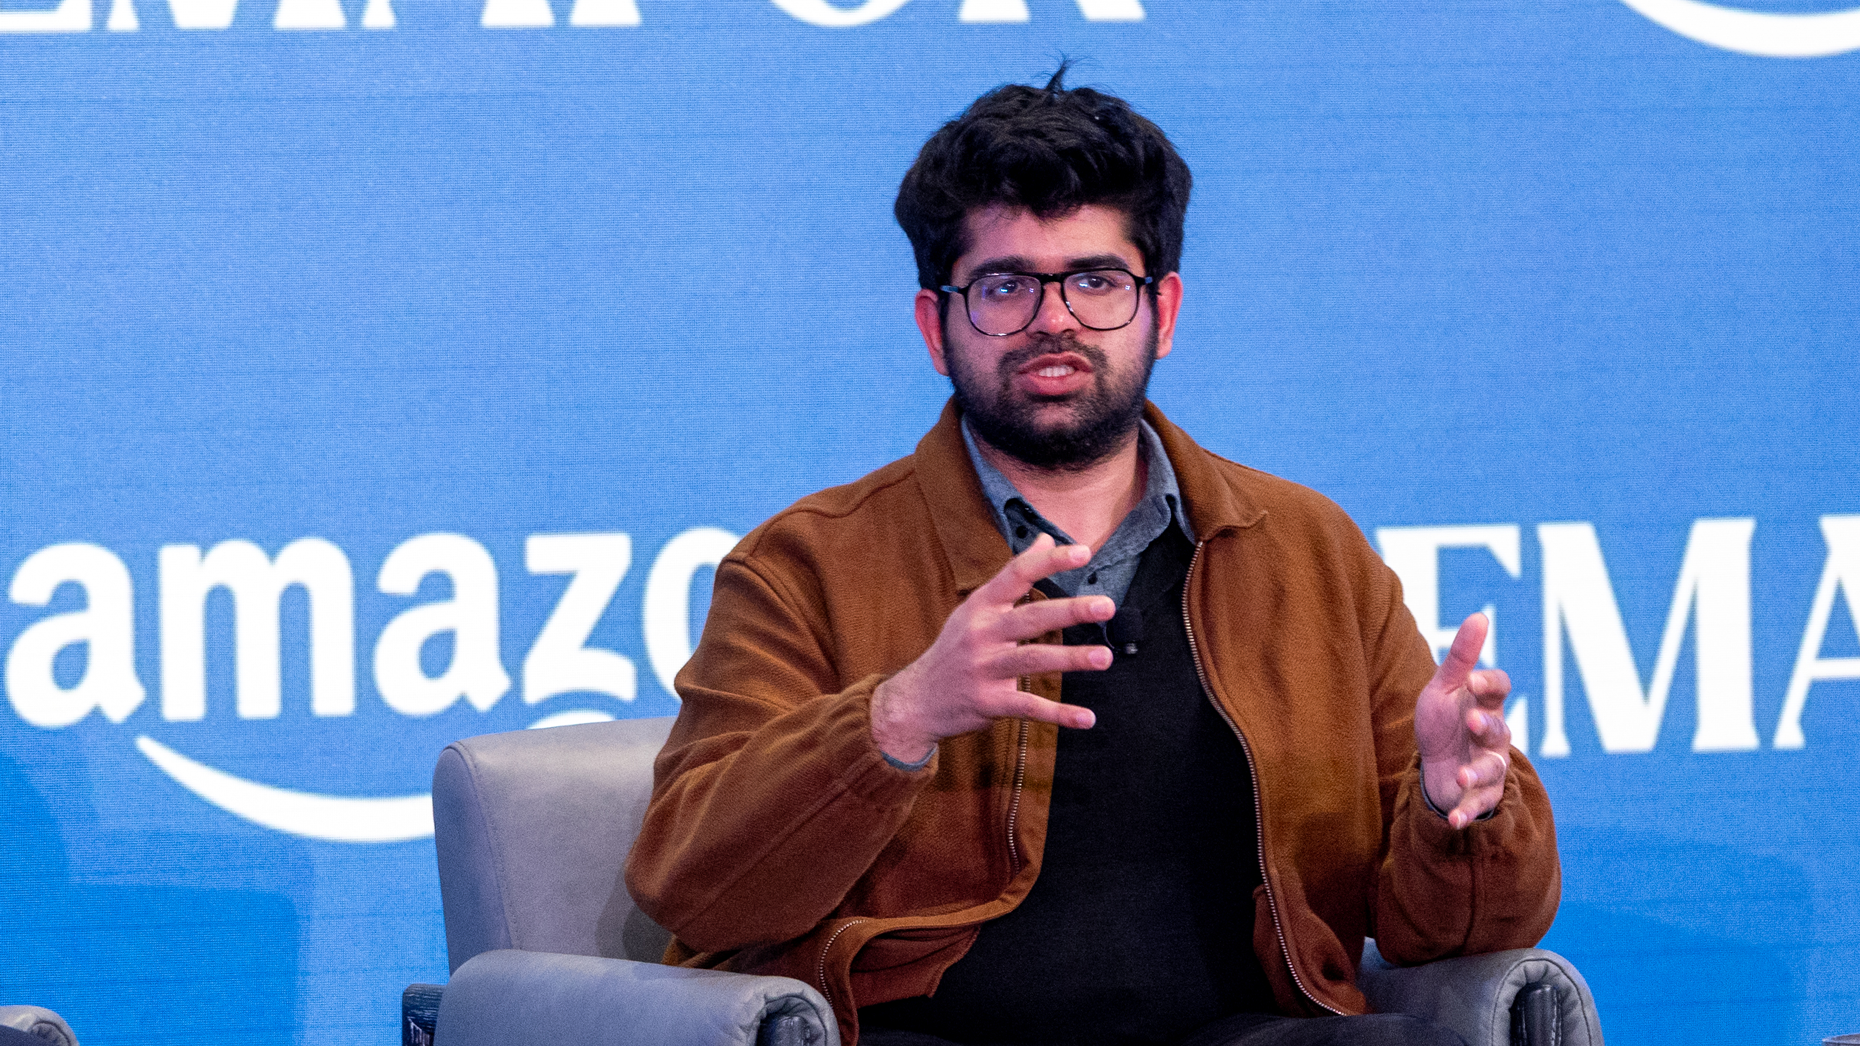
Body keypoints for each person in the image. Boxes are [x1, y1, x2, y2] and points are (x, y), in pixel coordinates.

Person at [624, 68, 1560, 1046]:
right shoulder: (805, 564)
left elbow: (1441, 931)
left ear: (1165, 309)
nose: (1054, 318)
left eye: (1097, 280)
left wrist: (1463, 808)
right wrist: (896, 718)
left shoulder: (1307, 550)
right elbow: (696, 887)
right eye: (1004, 285)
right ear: (933, 327)